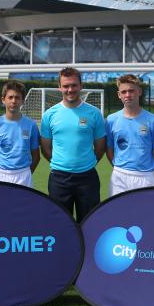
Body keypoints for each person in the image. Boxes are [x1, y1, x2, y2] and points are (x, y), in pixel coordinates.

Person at [40, 67, 106, 222]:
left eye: (74, 85)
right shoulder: (49, 115)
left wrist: (85, 163)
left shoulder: (94, 113)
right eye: (66, 86)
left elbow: (100, 147)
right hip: (59, 178)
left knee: (89, 222)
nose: (70, 89)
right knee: (61, 223)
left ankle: (87, 247)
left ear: (81, 86)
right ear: (59, 87)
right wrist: (63, 163)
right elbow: (46, 148)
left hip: (87, 177)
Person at [105, 74, 154, 196]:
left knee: (145, 214)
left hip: (145, 176)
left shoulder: (153, 120)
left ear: (139, 92)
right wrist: (119, 166)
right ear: (118, 94)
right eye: (124, 92)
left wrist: (148, 168)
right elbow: (109, 149)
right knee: (118, 213)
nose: (127, 95)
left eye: (131, 91)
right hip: (119, 176)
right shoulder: (111, 120)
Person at [0, 80, 40, 187]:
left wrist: (26, 173)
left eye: (17, 97)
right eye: (10, 97)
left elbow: (36, 156)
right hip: (0, 174)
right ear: (3, 100)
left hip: (23, 175)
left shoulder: (31, 125)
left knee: (24, 204)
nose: (14, 101)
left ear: (23, 100)